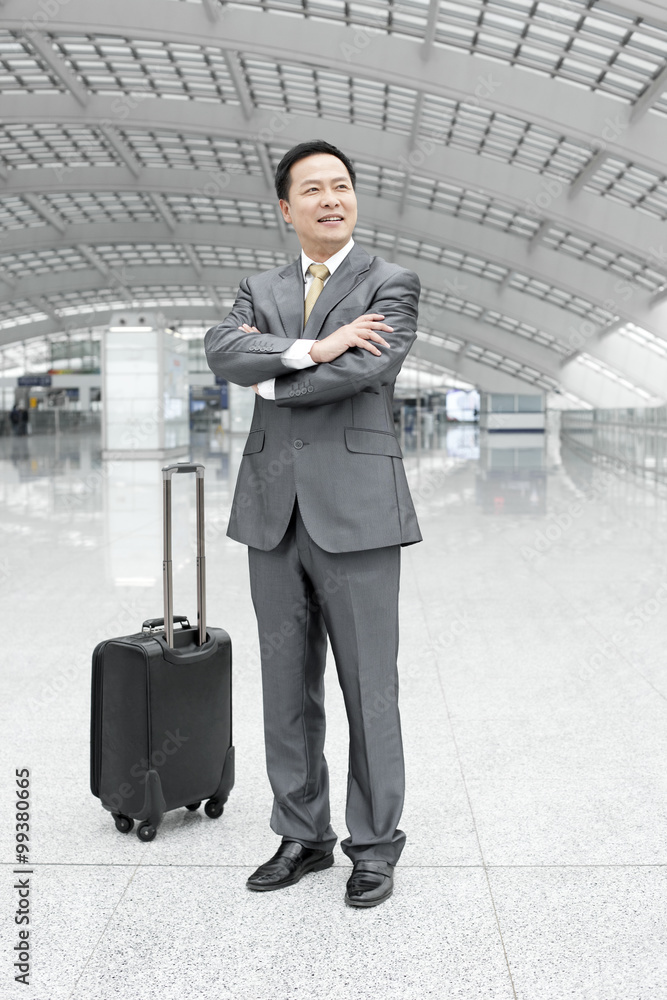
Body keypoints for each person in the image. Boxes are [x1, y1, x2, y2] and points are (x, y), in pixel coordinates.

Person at [205, 139, 422, 908]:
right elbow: (222, 351)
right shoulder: (257, 287)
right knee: (283, 686)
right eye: (314, 189)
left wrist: (271, 385)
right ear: (285, 207)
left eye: (342, 185)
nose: (332, 199)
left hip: (358, 512)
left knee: (370, 689)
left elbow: (366, 368)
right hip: (271, 512)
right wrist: (313, 345)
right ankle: (302, 834)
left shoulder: (389, 283)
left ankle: (374, 845)